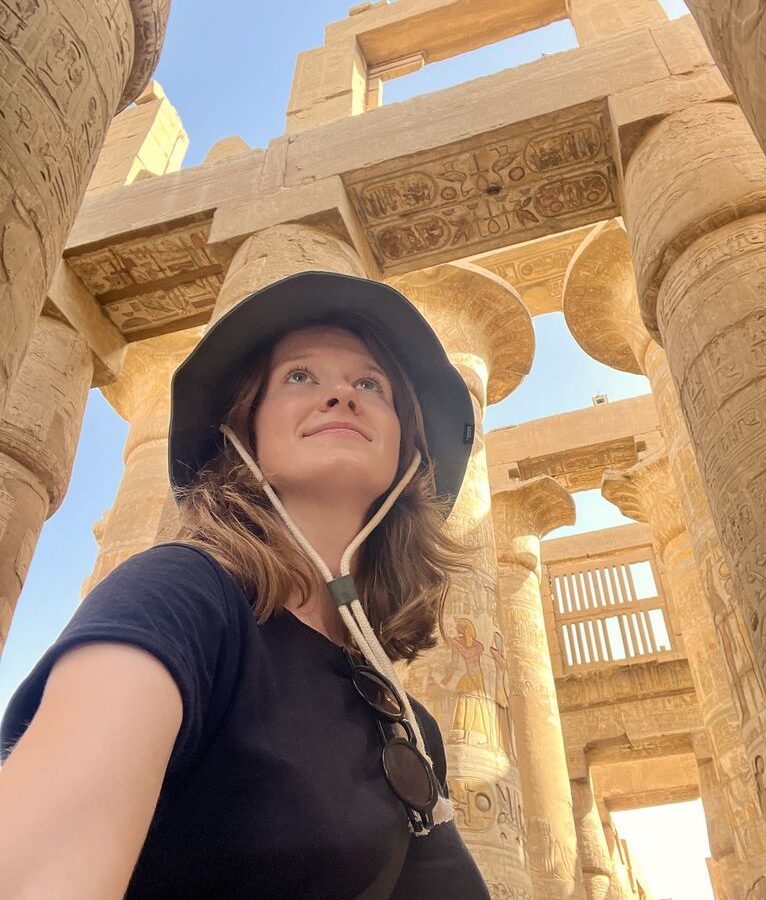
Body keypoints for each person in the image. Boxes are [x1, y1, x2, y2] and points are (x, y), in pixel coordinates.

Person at [0, 271, 492, 899]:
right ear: (242, 429)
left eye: (371, 382)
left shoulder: (404, 720)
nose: (341, 394)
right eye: (299, 376)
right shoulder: (178, 598)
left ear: (408, 449)